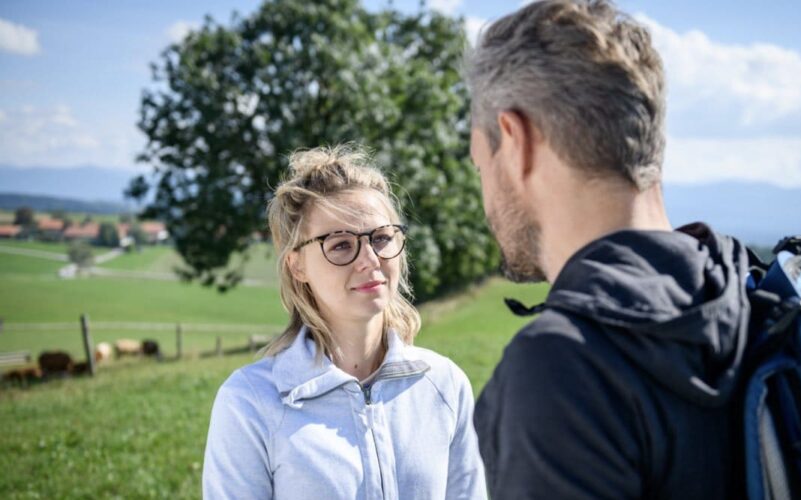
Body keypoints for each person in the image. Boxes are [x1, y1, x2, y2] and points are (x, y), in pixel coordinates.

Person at [466, 1, 749, 498]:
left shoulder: (563, 369)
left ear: (514, 141)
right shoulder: (748, 294)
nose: (484, 196)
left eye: (478, 165)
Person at [202, 146, 487, 499]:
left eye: (381, 238)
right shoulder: (250, 402)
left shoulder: (444, 385)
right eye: (340, 245)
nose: (370, 259)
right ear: (297, 265)